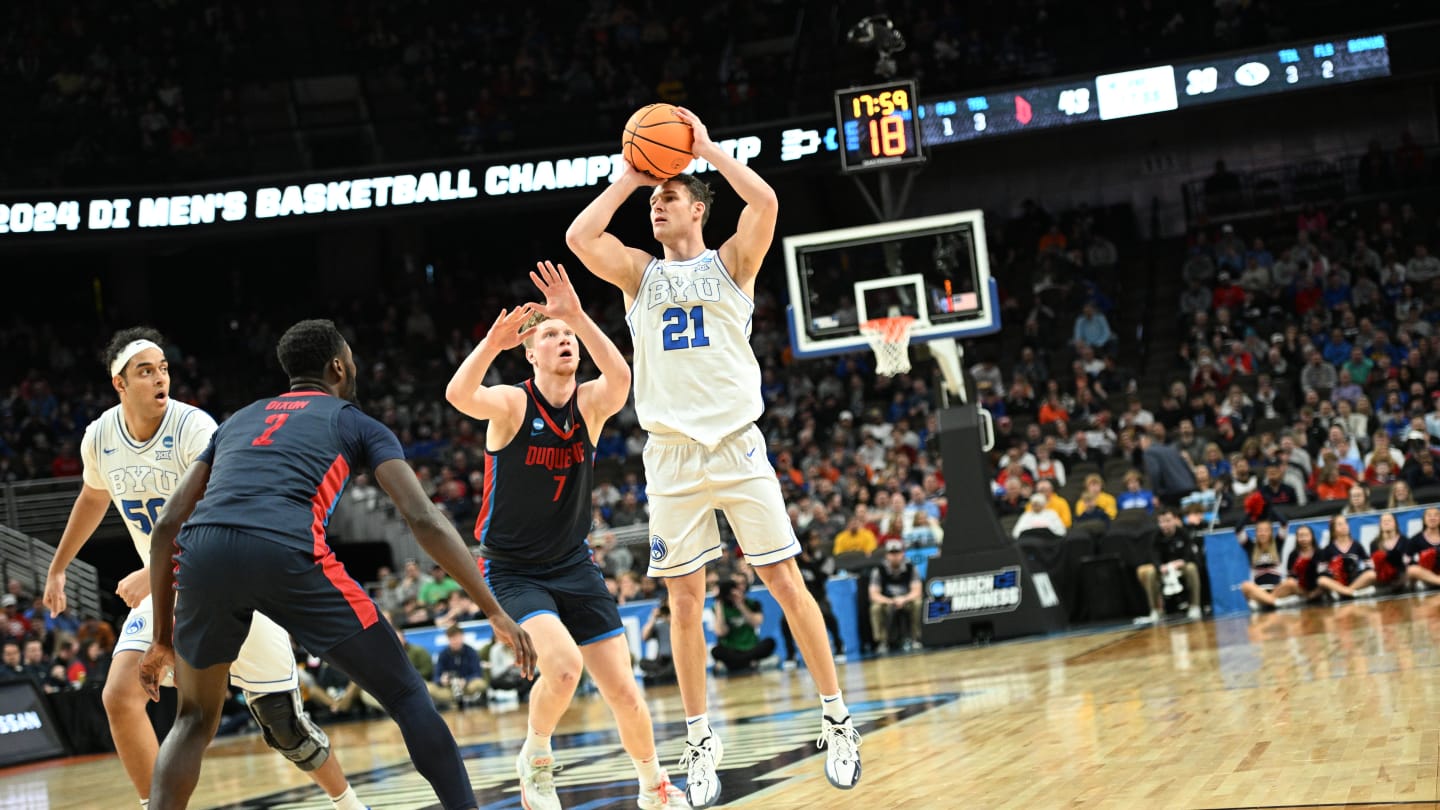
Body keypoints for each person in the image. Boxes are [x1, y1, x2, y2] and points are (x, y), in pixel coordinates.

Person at [566, 106, 860, 804]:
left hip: (736, 445)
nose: (655, 207)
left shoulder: (733, 262)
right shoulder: (638, 273)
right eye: (654, 200)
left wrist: (707, 151)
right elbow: (580, 236)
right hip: (670, 457)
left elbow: (766, 201)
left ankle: (837, 718)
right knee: (684, 602)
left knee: (785, 583)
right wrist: (629, 177)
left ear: (698, 209)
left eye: (668, 197)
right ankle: (700, 739)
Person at [136, 319, 536, 810]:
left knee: (194, 719)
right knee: (407, 695)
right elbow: (422, 518)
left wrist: (160, 640)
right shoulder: (355, 421)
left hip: (203, 553)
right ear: (339, 366)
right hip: (283, 547)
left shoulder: (239, 419)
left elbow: (167, 525)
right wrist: (493, 609)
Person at [41, 326, 370, 810]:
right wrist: (58, 567)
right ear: (120, 383)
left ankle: (347, 803)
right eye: (146, 371)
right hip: (169, 590)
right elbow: (93, 496)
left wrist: (151, 570)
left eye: (164, 369)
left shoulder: (194, 428)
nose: (160, 378)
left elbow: (222, 512)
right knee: (119, 695)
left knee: (286, 728)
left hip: (229, 584)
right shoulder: (101, 437)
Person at [443, 260, 686, 809]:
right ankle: (536, 757)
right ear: (530, 354)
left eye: (569, 336)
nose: (563, 341)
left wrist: (575, 313)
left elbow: (621, 376)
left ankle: (653, 787)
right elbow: (460, 394)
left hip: (573, 563)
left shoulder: (591, 404)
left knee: (624, 690)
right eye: (550, 335)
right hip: (512, 567)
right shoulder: (511, 403)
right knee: (563, 666)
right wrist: (490, 342)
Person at [1135, 508, 1203, 623]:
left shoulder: (1183, 533)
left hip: (1181, 566)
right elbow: (1153, 555)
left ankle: (1195, 606)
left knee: (1191, 568)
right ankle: (1155, 610)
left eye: (1167, 521)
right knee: (1151, 573)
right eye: (1161, 522)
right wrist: (1160, 566)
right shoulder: (1156, 536)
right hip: (1165, 568)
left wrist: (1183, 561)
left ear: (1174, 520)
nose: (1164, 524)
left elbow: (1190, 553)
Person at [711, 573, 777, 673]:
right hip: (732, 649)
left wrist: (740, 605)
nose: (738, 588)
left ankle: (736, 664)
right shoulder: (719, 608)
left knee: (770, 642)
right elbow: (721, 632)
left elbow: (756, 622)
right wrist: (719, 604)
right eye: (735, 584)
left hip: (751, 647)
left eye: (742, 584)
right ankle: (750, 663)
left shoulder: (752, 603)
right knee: (716, 651)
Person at [1237, 520, 1306, 610]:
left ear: (1271, 532)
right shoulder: (1250, 547)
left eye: (1266, 530)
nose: (1263, 533)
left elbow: (1284, 522)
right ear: (1256, 533)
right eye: (1260, 530)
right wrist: (1252, 513)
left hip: (1277, 589)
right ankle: (1275, 602)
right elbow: (1238, 529)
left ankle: (1265, 602)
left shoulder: (1277, 544)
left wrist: (1267, 507)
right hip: (1259, 590)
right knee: (1245, 585)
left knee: (1291, 582)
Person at [868, 539, 922, 652]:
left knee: (918, 603)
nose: (895, 556)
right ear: (887, 555)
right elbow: (873, 594)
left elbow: (917, 591)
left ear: (902, 553)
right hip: (887, 601)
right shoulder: (878, 570)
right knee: (875, 608)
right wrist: (891, 601)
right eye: (892, 553)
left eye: (897, 552)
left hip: (906, 600)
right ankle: (882, 641)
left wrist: (903, 599)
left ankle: (916, 638)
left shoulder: (911, 568)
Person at [1314, 514, 1378, 600]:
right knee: (1321, 580)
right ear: (1333, 530)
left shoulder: (1356, 545)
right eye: (1339, 524)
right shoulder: (1328, 549)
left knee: (1372, 574)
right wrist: (1332, 573)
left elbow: (1370, 565)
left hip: (1354, 580)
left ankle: (1344, 592)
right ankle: (1354, 593)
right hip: (1337, 582)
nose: (1344, 526)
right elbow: (1321, 571)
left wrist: (1361, 572)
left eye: (1345, 523)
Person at [434, 625, 488, 707]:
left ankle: (457, 700)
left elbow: (478, 673)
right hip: (449, 688)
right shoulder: (443, 655)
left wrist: (465, 680)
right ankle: (456, 700)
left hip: (467, 686)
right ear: (448, 639)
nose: (455, 641)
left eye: (457, 637)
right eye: (452, 638)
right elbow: (436, 676)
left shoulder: (471, 652)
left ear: (462, 637)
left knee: (479, 684)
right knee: (429, 688)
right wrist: (442, 680)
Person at [1370, 512, 1409, 594]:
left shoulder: (1405, 541)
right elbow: (1374, 566)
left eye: (1389, 520)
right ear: (1380, 525)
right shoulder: (1374, 544)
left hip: (1402, 576)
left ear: (1395, 523)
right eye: (1383, 521)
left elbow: (1408, 562)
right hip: (1383, 579)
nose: (1386, 523)